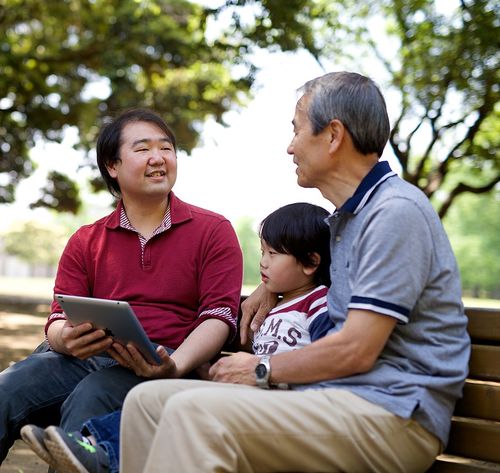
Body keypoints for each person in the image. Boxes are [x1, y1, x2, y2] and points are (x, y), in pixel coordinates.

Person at [111, 71, 470, 473]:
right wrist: (270, 289)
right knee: (148, 403)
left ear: (333, 136)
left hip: (391, 413)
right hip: (336, 399)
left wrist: (261, 368)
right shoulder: (349, 219)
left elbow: (358, 347)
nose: (289, 147)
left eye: (297, 130)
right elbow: (323, 277)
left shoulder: (394, 213)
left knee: (194, 413)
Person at [0, 108, 243, 467]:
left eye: (167, 148)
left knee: (91, 399)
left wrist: (173, 366)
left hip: (168, 364)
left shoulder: (212, 230)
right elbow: (56, 318)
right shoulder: (87, 239)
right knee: (10, 387)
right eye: (143, 149)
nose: (159, 158)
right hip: (88, 359)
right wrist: (65, 339)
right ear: (112, 166)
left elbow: (219, 317)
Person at [21, 201, 334, 473]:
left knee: (161, 403)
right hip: (247, 392)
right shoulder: (272, 307)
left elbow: (325, 353)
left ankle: (98, 453)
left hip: (278, 400)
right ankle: (92, 447)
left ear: (310, 262)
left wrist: (269, 373)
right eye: (263, 251)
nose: (263, 262)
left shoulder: (320, 304)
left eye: (274, 254)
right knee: (159, 400)